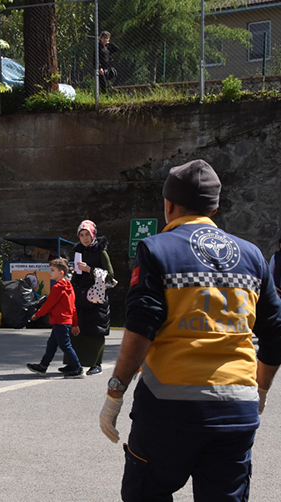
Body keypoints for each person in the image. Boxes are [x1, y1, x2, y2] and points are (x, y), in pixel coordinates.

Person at [99, 159, 281, 501]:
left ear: (169, 205)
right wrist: (260, 391)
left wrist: (115, 392)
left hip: (168, 409)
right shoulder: (253, 256)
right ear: (215, 206)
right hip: (237, 410)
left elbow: (141, 328)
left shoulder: (156, 250)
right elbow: (275, 332)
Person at [65, 220, 114, 376]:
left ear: (93, 234)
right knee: (77, 329)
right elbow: (77, 275)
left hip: (96, 296)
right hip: (80, 295)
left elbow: (111, 277)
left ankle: (96, 364)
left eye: (87, 234)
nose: (85, 238)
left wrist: (90, 269)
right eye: (82, 235)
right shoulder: (79, 252)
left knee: (96, 329)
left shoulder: (101, 252)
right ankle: (74, 362)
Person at [25, 258, 84, 379]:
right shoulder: (69, 287)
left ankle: (78, 369)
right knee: (52, 344)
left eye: (52, 270)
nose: (49, 273)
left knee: (65, 345)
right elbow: (73, 307)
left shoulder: (57, 287)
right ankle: (43, 366)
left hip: (60, 321)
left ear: (61, 272)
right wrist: (74, 323)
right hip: (65, 321)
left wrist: (37, 314)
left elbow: (48, 304)